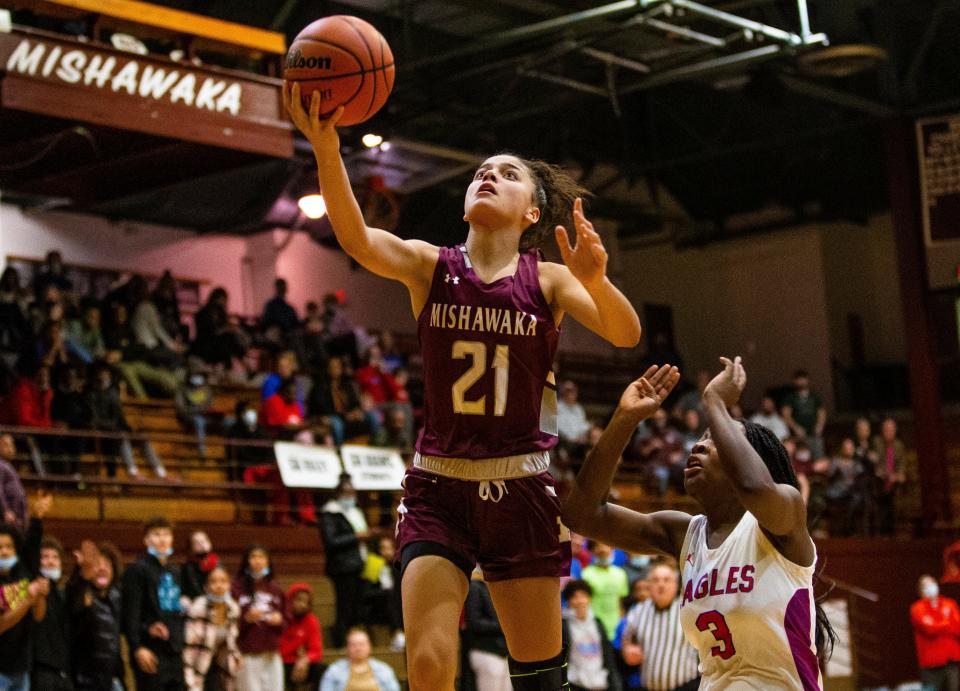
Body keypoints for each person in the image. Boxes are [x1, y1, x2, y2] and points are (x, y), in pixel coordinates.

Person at [287, 84, 641, 691]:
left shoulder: (549, 280)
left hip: (523, 487)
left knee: (539, 678)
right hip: (438, 487)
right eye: (481, 172)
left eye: (506, 174)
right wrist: (327, 149)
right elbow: (358, 240)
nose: (488, 177)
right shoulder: (431, 266)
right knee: (426, 665)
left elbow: (624, 332)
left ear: (533, 211)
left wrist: (598, 282)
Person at [563, 359, 836, 688]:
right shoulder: (684, 534)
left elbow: (754, 487)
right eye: (702, 437)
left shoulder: (785, 516)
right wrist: (625, 418)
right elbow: (582, 515)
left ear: (752, 459)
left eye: (717, 439)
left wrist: (715, 402)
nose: (699, 444)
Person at [121, 516, 187, 691]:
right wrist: (137, 646)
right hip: (151, 649)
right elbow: (130, 613)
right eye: (156, 534)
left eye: (166, 534)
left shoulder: (175, 570)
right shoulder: (137, 570)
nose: (162, 539)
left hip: (174, 651)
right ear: (146, 540)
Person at [620, 562, 699, 691]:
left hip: (686, 686)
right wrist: (627, 649)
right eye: (655, 580)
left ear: (675, 585)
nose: (661, 585)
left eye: (666, 580)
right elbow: (626, 639)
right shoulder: (638, 611)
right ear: (649, 585)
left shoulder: (689, 609)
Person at [0, 498, 50, 691]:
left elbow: (38, 616)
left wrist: (40, 596)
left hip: (21, 669)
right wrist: (28, 598)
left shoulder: (21, 573)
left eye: (9, 547)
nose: (4, 552)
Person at [66, 540, 125, 691]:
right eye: (97, 564)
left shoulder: (116, 599)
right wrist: (82, 576)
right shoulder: (82, 594)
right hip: (85, 682)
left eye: (107, 564)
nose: (102, 569)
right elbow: (74, 599)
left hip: (113, 680)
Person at [319, 476, 367, 647]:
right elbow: (331, 541)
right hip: (341, 568)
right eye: (347, 493)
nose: (350, 496)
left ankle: (355, 642)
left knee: (356, 607)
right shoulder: (330, 513)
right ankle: (340, 643)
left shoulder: (356, 512)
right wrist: (356, 537)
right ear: (338, 494)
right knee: (344, 607)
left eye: (353, 492)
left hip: (358, 565)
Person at [231, 544, 285, 691]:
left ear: (268, 561)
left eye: (261, 557)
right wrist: (246, 619)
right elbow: (229, 623)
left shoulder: (275, 587)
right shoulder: (236, 587)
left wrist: (279, 621)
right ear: (246, 561)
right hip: (248, 653)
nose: (258, 561)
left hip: (271, 653)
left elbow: (285, 620)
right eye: (253, 557)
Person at [183, 566, 241, 691]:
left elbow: (232, 639)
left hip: (221, 665)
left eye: (223, 581)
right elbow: (189, 647)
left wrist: (236, 656)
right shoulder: (198, 607)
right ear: (206, 586)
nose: (219, 585)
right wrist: (190, 680)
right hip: (198, 663)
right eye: (213, 581)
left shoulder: (233, 608)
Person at [561, 580, 622, 691]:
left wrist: (615, 684)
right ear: (568, 601)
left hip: (600, 684)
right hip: (575, 684)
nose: (579, 601)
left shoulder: (598, 623)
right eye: (574, 597)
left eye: (583, 596)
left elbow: (608, 658)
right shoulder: (563, 626)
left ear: (589, 599)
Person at [32, 535, 73, 690]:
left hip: (64, 672)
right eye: (45, 557)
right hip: (41, 672)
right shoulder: (31, 589)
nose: (51, 561)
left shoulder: (62, 593)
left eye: (55, 557)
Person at [910, 574, 960, 691]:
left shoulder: (949, 604)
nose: (930, 587)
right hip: (931, 667)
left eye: (932, 583)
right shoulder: (917, 608)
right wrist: (948, 622)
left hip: (952, 662)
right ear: (921, 591)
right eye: (925, 586)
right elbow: (929, 629)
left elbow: (958, 627)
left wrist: (940, 624)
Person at [464, 570, 511, 691]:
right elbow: (474, 622)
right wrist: (503, 626)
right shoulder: (475, 587)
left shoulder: (495, 589)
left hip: (502, 652)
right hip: (486, 651)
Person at [320, 627, 400, 691]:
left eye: (361, 644)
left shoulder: (383, 669)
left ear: (369, 647)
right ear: (347, 648)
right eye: (353, 645)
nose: (358, 648)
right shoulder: (334, 670)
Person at [279, 583, 324, 691]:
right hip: (280, 663)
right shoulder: (281, 618)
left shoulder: (311, 620)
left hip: (300, 662)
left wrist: (305, 660)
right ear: (290, 600)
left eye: (306, 602)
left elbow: (316, 651)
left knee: (322, 670)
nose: (303, 605)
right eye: (299, 600)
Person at [581, 541, 629, 640]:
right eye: (598, 548)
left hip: (616, 629)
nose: (603, 550)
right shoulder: (585, 575)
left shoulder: (621, 574)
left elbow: (620, 603)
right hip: (594, 629)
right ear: (592, 552)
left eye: (606, 548)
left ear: (612, 550)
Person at [780, 369, 827, 460]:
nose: (801, 381)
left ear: (807, 380)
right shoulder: (790, 397)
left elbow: (822, 413)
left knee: (819, 457)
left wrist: (819, 427)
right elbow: (786, 415)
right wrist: (796, 428)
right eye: (798, 379)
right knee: (800, 460)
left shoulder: (814, 396)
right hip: (797, 436)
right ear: (795, 381)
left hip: (814, 434)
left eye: (803, 379)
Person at [873, 416, 907, 535]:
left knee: (893, 496)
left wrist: (898, 475)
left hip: (894, 482)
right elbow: (875, 464)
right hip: (880, 481)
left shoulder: (898, 445)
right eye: (886, 429)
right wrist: (886, 474)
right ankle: (883, 532)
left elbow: (902, 464)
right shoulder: (877, 443)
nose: (889, 432)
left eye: (891, 429)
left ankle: (891, 532)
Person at [175, 371, 214, 457]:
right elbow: (180, 408)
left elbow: (210, 405)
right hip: (189, 417)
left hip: (207, 417)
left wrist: (206, 409)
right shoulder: (183, 390)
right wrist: (197, 410)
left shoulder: (206, 390)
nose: (197, 378)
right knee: (199, 421)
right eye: (195, 375)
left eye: (199, 375)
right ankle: (202, 450)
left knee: (228, 422)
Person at [181, 530, 220, 601]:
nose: (202, 544)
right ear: (191, 547)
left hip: (216, 596)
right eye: (197, 543)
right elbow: (194, 588)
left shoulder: (217, 561)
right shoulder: (189, 566)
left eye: (204, 540)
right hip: (197, 599)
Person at [0, 434, 27, 528]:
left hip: (15, 516)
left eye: (11, 445)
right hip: (7, 517)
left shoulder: (7, 465)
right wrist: (5, 510)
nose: (10, 449)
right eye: (5, 445)